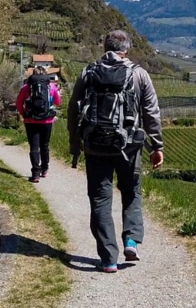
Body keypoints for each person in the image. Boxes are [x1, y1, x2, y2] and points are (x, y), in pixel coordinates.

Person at [68, 29, 164, 273]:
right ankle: (131, 240)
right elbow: (152, 112)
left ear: (104, 47)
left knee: (100, 199)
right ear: (127, 49)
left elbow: (73, 109)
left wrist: (74, 143)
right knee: (131, 192)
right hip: (129, 147)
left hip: (94, 146)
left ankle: (109, 258)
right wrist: (156, 146)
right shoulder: (139, 74)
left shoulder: (88, 72)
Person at [16, 65, 61, 183]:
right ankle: (44, 169)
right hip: (47, 121)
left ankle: (35, 173)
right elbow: (57, 101)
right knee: (44, 145)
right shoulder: (51, 87)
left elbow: (18, 104)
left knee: (34, 147)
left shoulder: (26, 88)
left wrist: (24, 114)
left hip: (30, 121)